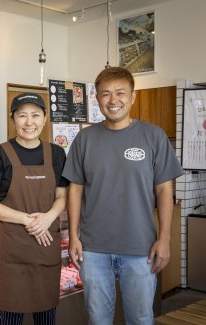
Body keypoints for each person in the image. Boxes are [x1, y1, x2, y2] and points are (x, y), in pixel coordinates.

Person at [62, 67, 183, 325]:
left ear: (133, 97)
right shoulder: (84, 139)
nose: (113, 100)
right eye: (105, 94)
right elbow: (75, 189)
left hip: (141, 248)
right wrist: (73, 236)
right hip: (93, 249)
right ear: (97, 99)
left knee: (140, 319)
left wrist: (165, 238)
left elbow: (164, 189)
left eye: (120, 93)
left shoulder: (153, 136)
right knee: (98, 319)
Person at [0, 93, 68, 325]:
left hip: (45, 247)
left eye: (36, 115)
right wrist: (29, 220)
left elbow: (62, 196)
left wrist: (47, 218)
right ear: (12, 119)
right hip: (13, 251)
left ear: (45, 118)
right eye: (22, 115)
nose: (30, 122)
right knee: (11, 316)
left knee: (46, 314)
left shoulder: (56, 154)